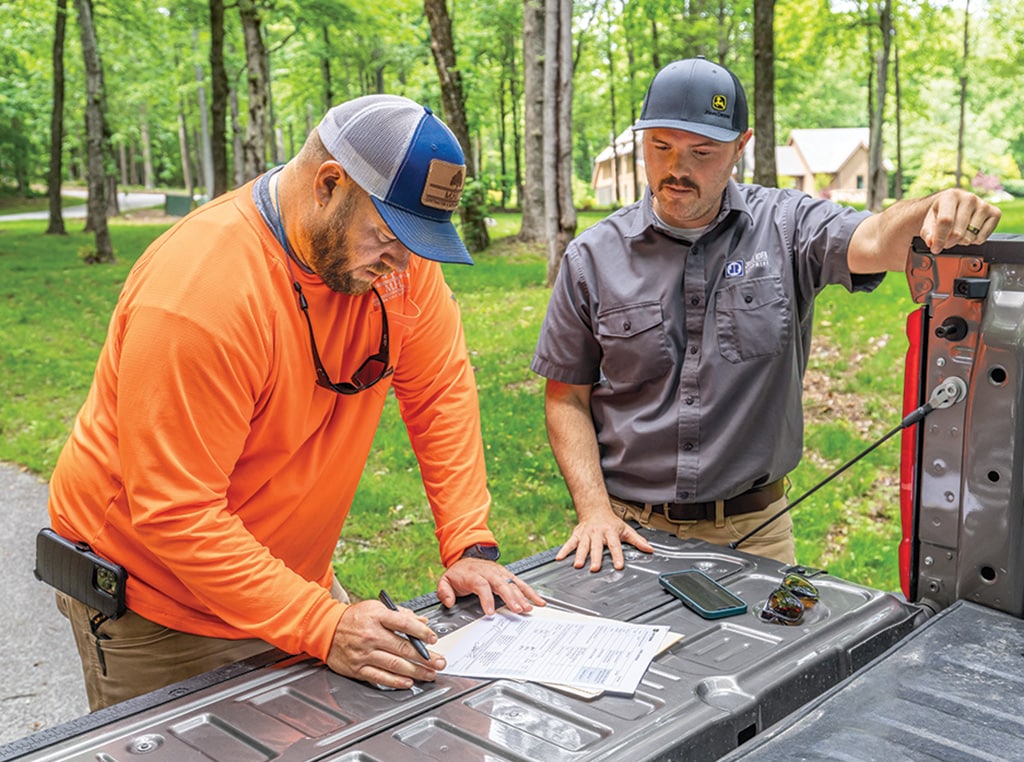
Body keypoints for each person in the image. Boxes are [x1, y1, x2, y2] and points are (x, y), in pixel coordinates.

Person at [47, 94, 544, 711]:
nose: (403, 263)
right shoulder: (201, 294)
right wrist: (323, 624)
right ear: (328, 184)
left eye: (417, 243)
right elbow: (176, 513)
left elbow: (439, 392)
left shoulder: (396, 264)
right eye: (389, 236)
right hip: (159, 606)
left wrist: (469, 544)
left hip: (285, 575)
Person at [531, 57, 1002, 572]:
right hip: (624, 530)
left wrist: (932, 209)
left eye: (702, 152)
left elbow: (875, 240)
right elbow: (566, 396)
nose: (676, 169)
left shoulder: (788, 228)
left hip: (755, 534)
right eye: (660, 147)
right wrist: (594, 510)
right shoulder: (592, 257)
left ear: (741, 146)